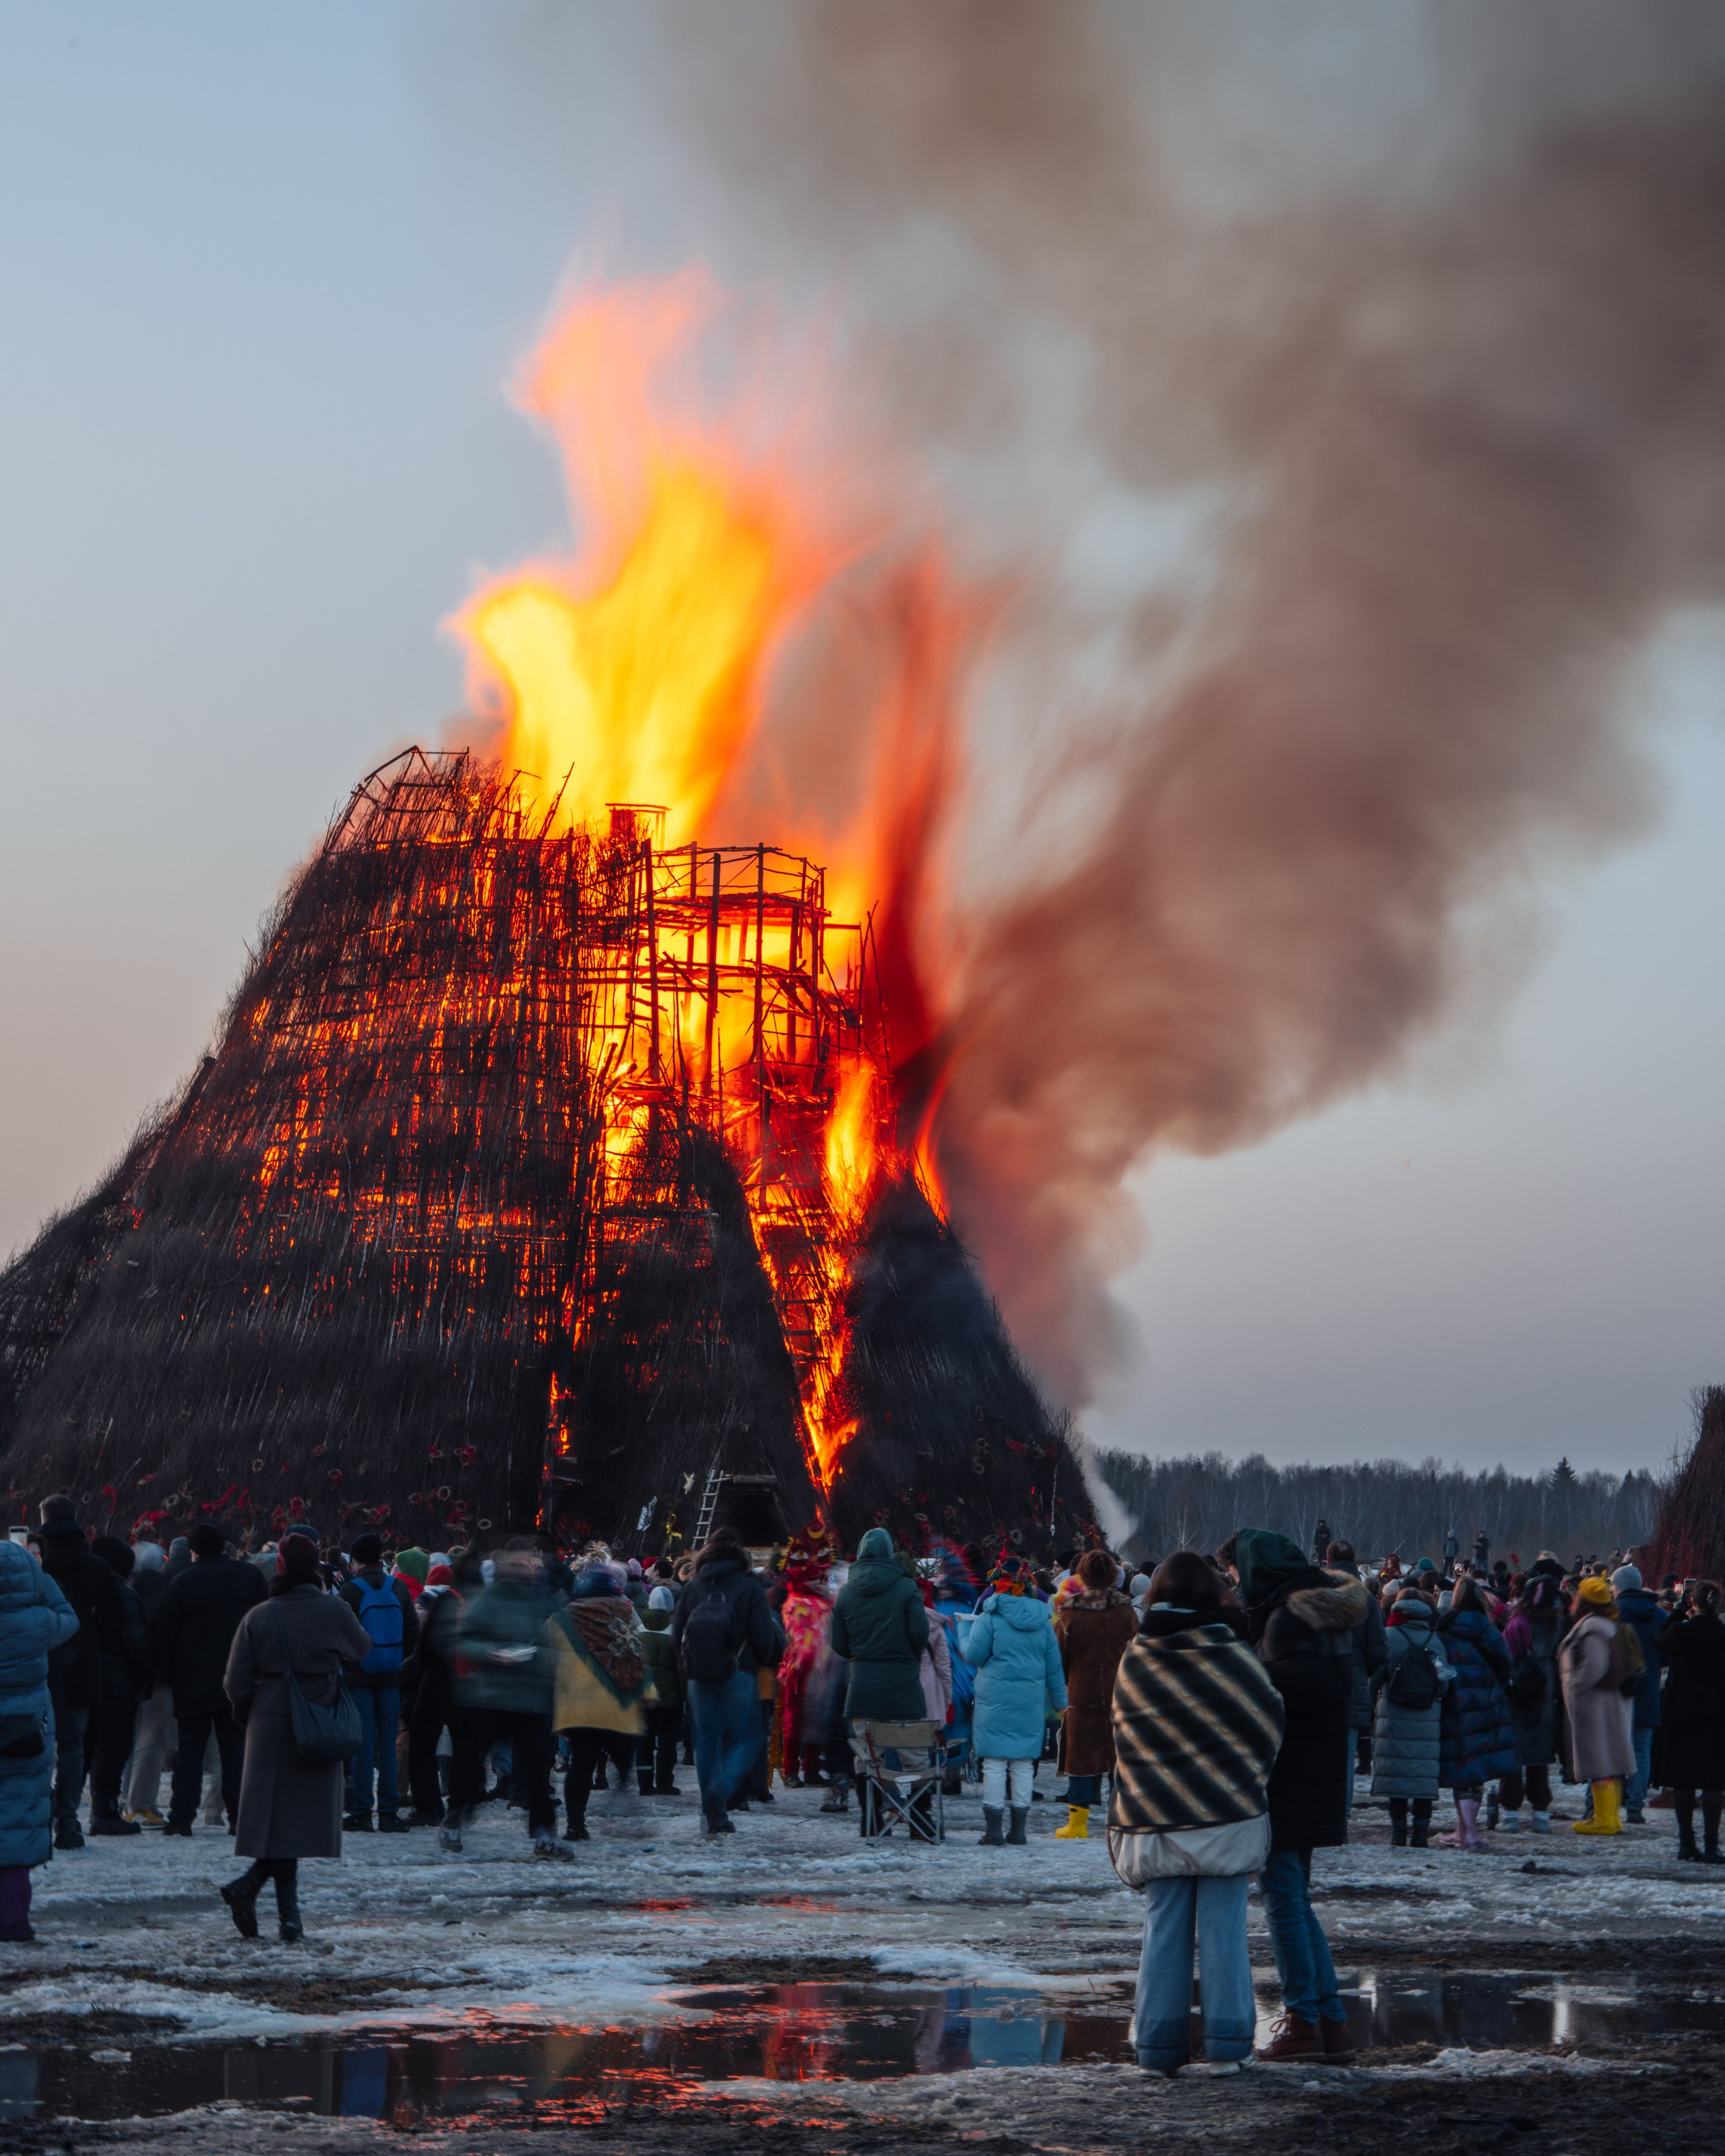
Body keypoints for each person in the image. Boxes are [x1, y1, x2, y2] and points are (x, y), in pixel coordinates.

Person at [1108, 1550, 1284, 2075]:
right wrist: (1241, 1772)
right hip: (1225, 1813)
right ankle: (1229, 2047)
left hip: (1154, 1815)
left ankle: (1158, 2050)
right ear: (1212, 1593)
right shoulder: (1231, 1652)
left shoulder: (1137, 1654)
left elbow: (1125, 1732)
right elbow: (1267, 1720)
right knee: (1225, 1930)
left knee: (1162, 1929)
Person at [1230, 1527, 1365, 2065]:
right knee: (1295, 1901)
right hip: (1314, 1774)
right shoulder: (1316, 1615)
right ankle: (1328, 2020)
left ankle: (1305, 2020)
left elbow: (1290, 1699)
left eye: (1238, 1575)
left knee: (1284, 1900)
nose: (1235, 1587)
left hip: (1291, 1778)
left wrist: (1248, 1683)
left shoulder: (1288, 1621)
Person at [219, 1532, 374, 1942]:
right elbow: (361, 1648)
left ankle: (261, 1896)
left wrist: (247, 1712)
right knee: (301, 1820)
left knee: (276, 1821)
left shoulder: (260, 1616)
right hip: (319, 1716)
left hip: (269, 1720)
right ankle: (285, 1915)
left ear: (281, 1568)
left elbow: (235, 1682)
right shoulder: (333, 1609)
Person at [450, 1539, 563, 1858]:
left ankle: (544, 1833)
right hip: (493, 1697)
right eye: (524, 1561)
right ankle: (456, 1816)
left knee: (538, 1773)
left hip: (530, 1698)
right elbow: (465, 1642)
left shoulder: (540, 1600)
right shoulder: (491, 1599)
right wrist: (493, 1654)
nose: (530, 1566)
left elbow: (553, 1641)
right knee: (474, 1764)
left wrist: (544, 1660)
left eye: (533, 1560)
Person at [152, 1522, 266, 1837]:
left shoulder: (183, 1581)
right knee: (235, 1751)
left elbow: (164, 1632)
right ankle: (240, 1816)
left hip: (192, 1680)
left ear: (194, 1551)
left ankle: (181, 1817)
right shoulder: (250, 1575)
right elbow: (262, 1622)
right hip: (238, 1678)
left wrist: (168, 1672)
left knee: (190, 1752)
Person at [671, 1528, 780, 1836]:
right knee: (747, 1739)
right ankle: (724, 1790)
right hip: (739, 1674)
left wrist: (689, 1668)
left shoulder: (693, 1586)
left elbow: (676, 1631)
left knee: (706, 1742)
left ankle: (715, 1813)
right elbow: (764, 1637)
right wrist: (754, 1662)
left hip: (699, 1677)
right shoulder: (749, 1587)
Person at [36, 1496, 129, 1850]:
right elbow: (117, 1615)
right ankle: (69, 1821)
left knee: (38, 1746)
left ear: (43, 1521)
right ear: (76, 1519)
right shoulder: (96, 1566)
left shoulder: (36, 1563)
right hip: (82, 1664)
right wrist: (92, 1643)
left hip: (39, 1665)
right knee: (73, 1747)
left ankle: (39, 1819)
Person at [0, 1538, 80, 1940]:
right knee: (17, 1825)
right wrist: (42, 1579)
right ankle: (13, 1921)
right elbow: (70, 1619)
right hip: (26, 1731)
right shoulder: (40, 1622)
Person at [959, 1554, 1067, 1848]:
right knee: (1022, 1763)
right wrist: (1060, 1702)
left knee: (994, 1764)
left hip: (994, 1701)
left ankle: (994, 1830)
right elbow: (1054, 1667)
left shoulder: (990, 1618)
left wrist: (963, 1631)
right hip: (1029, 1703)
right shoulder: (1043, 1622)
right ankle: (1018, 1831)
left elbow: (973, 1655)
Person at [829, 1529, 930, 1834]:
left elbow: (837, 1641)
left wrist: (860, 1659)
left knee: (868, 1756)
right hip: (903, 1685)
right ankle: (921, 1823)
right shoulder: (906, 1587)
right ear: (889, 1553)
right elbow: (920, 1632)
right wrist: (908, 1658)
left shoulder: (846, 1592)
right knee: (914, 1757)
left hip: (863, 1688)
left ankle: (870, 1821)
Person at [547, 1563, 654, 1839]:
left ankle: (575, 1825)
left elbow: (547, 1660)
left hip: (578, 1708)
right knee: (623, 1765)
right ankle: (630, 1818)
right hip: (619, 1706)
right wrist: (648, 1693)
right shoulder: (624, 1614)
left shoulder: (561, 1618)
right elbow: (638, 1656)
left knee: (581, 1765)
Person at [336, 1532, 419, 1833]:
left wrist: (354, 1662)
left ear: (356, 1560)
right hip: (390, 1677)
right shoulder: (397, 1587)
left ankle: (361, 1811)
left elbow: (342, 1635)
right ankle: (388, 1812)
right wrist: (394, 1658)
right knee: (387, 1744)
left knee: (362, 1745)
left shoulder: (350, 1590)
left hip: (358, 1677)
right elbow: (412, 1631)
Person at [1053, 1549, 1137, 1840]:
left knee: (1080, 1753)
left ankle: (1077, 1823)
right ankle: (1120, 1819)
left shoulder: (1070, 1611)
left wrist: (1061, 1687)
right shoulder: (1126, 1611)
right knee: (1119, 1754)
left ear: (1083, 1574)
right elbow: (1137, 1653)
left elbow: (1059, 1656)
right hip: (1121, 1691)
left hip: (1081, 1691)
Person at [1433, 1575, 1515, 1849]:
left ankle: (1463, 1830)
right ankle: (1469, 1831)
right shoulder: (1487, 1628)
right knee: (1477, 1769)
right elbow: (1505, 1662)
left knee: (1461, 1766)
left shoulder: (1443, 1627)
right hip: (1486, 1704)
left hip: (1454, 1703)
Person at [1370, 1585, 1449, 1847]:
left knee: (1397, 1777)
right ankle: (1420, 1834)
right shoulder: (1435, 1640)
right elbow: (1445, 1683)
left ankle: (1398, 1833)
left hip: (1393, 1715)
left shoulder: (1387, 1636)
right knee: (1422, 1779)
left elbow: (1374, 1679)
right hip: (1427, 1717)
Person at [1558, 1574, 1636, 1837]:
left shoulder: (1591, 1627)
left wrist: (1575, 1685)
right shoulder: (1607, 1624)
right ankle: (1611, 1817)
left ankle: (1603, 1819)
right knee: (1609, 1761)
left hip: (1595, 1706)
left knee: (1599, 1761)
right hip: (1608, 1704)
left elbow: (1594, 1666)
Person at [86, 1538, 154, 1837]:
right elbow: (137, 1640)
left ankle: (68, 1810)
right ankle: (104, 1810)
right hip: (117, 1682)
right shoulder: (122, 1594)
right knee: (113, 1748)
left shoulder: (85, 1587)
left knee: (86, 1748)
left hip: (86, 1680)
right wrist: (147, 1673)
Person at [1656, 1580, 1725, 1862]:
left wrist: (1678, 1611)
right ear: (1717, 1605)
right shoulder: (1723, 1634)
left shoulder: (1680, 1631)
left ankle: (1686, 1843)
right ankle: (1712, 1845)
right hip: (1718, 1709)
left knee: (1683, 1778)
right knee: (1713, 1781)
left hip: (1683, 1709)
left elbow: (1657, 1641)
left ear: (1693, 1602)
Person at [1499, 1577, 1563, 1833]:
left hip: (1518, 1694)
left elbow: (1506, 1659)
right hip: (1546, 1695)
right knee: (1539, 1758)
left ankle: (1511, 1815)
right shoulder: (1555, 1625)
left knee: (1513, 1755)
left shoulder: (1517, 1624)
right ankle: (1540, 1815)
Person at [406, 1554, 464, 1825]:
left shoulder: (437, 1601)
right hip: (463, 1687)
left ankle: (428, 1806)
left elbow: (424, 1651)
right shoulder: (468, 1601)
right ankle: (458, 1806)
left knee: (422, 1749)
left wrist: (401, 1676)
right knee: (463, 1752)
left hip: (433, 1685)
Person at [1328, 1540, 1385, 1817]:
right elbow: (1378, 1649)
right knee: (1347, 1755)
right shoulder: (1366, 1599)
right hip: (1353, 1684)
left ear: (1328, 1561)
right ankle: (1342, 1815)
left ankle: (1320, 1813)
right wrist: (1362, 1673)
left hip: (1318, 1684)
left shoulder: (1314, 1594)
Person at [123, 1540, 173, 1826]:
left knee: (133, 1743)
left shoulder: (130, 1593)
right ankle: (141, 1805)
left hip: (131, 1677)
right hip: (159, 1678)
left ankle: (131, 1800)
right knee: (153, 1742)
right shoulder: (163, 1593)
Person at [1611, 1564, 1663, 1823]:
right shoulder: (1660, 1616)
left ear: (1617, 1587)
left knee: (1612, 1748)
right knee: (1642, 1750)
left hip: (1617, 1692)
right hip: (1649, 1690)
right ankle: (1635, 1806)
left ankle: (1606, 1803)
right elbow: (1666, 1655)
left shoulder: (1613, 1613)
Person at [637, 1585, 683, 1794]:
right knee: (667, 1742)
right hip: (669, 1697)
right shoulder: (675, 1632)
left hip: (643, 1695)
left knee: (644, 1741)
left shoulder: (637, 1630)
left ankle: (645, 1785)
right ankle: (665, 1782)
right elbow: (681, 1668)